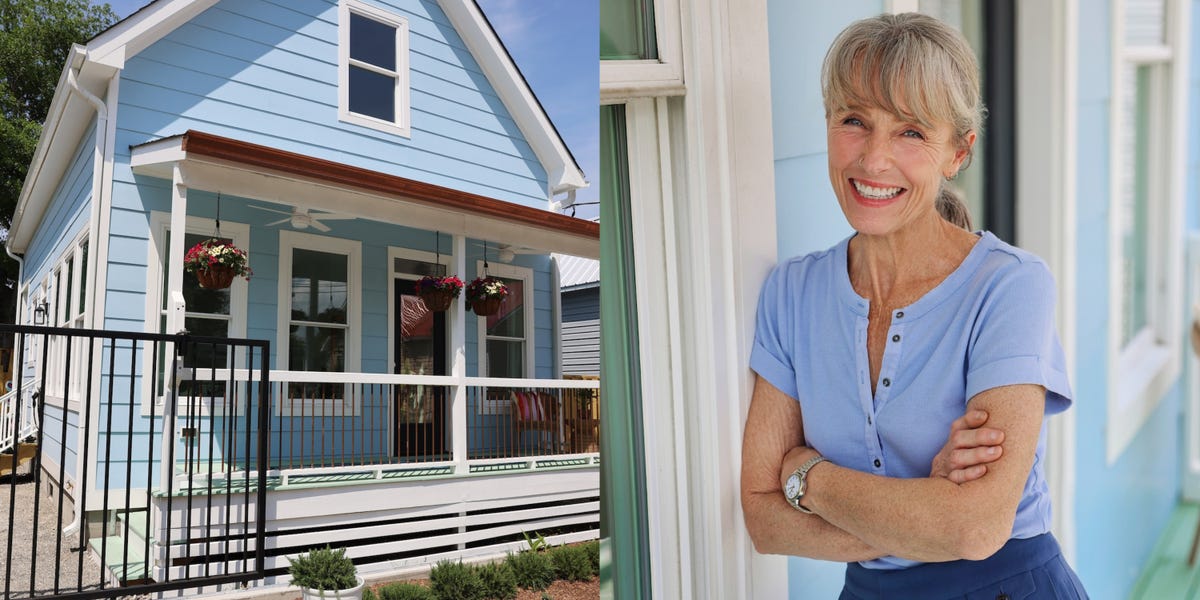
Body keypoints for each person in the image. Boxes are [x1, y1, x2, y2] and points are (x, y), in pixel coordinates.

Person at [740, 13, 1088, 599]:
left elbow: (975, 527)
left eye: (911, 132)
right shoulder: (790, 293)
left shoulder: (1009, 286)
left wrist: (809, 476)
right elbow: (762, 518)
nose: (874, 161)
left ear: (957, 152)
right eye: (854, 121)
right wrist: (923, 512)